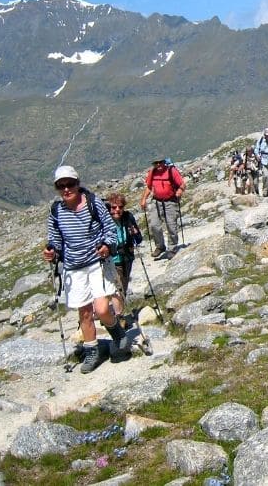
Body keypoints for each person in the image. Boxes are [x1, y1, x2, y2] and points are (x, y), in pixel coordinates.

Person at [43, 165, 128, 373]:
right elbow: (55, 239)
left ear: (77, 183)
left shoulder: (93, 203)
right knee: (85, 313)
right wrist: (52, 251)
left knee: (101, 309)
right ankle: (92, 351)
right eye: (60, 186)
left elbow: (109, 226)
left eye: (70, 184)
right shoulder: (56, 211)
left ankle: (116, 332)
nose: (66, 189)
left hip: (97, 262)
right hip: (73, 267)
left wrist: (107, 245)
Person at [105, 192, 142, 320]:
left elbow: (139, 238)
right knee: (117, 288)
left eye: (120, 207)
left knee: (123, 287)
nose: (117, 210)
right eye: (114, 207)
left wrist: (135, 234)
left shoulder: (128, 217)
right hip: (111, 260)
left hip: (126, 258)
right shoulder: (105, 220)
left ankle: (115, 314)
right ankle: (118, 316)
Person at [140, 157, 185, 259]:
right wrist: (143, 199)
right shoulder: (153, 172)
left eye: (160, 162)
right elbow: (149, 186)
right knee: (154, 225)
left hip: (170, 201)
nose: (158, 165)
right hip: (157, 201)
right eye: (156, 163)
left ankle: (172, 248)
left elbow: (182, 184)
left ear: (164, 162)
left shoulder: (171, 171)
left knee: (171, 226)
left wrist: (179, 191)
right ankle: (160, 246)